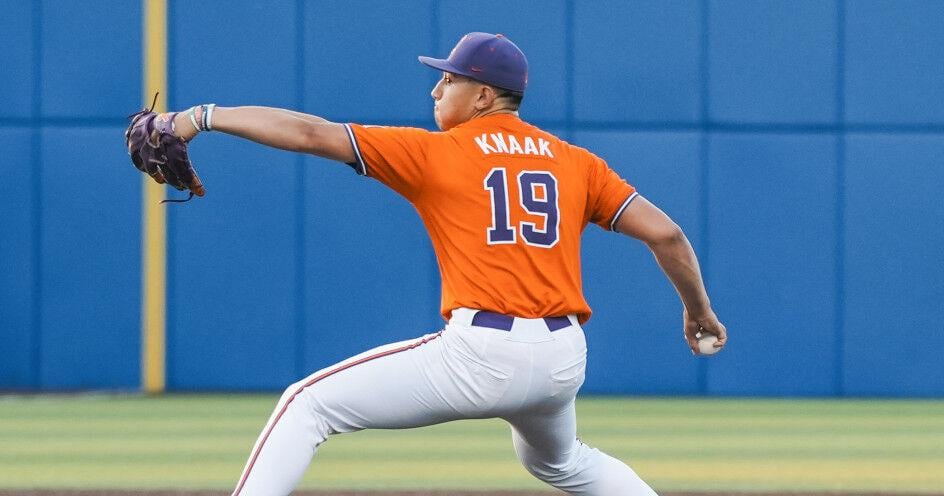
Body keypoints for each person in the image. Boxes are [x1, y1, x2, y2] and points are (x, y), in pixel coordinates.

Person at [162, 32, 727, 496]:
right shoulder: (576, 163)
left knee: (305, 404)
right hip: (561, 359)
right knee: (564, 464)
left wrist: (201, 117)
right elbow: (668, 235)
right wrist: (698, 310)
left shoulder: (437, 152)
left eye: (450, 78)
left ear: (483, 96)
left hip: (480, 355)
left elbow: (312, 133)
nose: (437, 88)